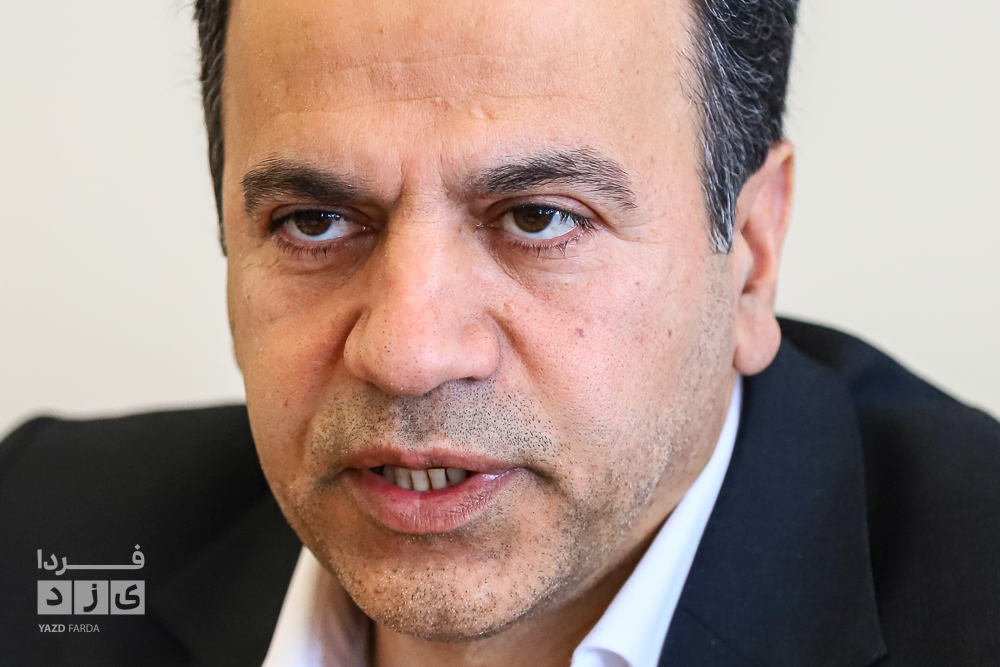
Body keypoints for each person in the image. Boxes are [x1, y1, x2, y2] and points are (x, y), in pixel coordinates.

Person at [1, 0, 998, 666]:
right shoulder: (43, 541)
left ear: (750, 249)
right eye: (314, 221)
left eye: (539, 217)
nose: (409, 353)